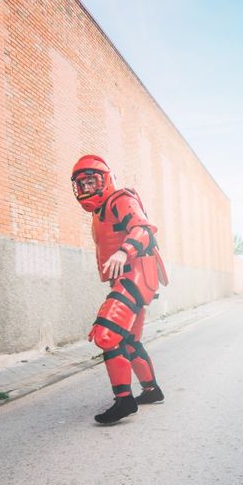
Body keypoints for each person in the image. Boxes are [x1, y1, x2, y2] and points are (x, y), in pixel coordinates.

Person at [71, 154, 169, 424]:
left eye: (91, 181)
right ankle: (151, 390)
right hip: (129, 276)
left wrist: (124, 252)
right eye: (82, 184)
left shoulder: (120, 199)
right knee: (129, 341)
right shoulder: (99, 211)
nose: (87, 188)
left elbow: (144, 230)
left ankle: (124, 400)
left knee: (106, 335)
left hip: (136, 273)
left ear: (105, 180)